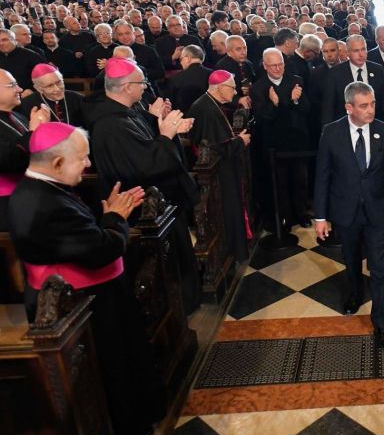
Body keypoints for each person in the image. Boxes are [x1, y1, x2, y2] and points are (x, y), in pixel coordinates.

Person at [8, 122, 164, 435]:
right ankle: (128, 431)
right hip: (84, 304)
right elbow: (101, 250)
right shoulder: (44, 204)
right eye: (82, 158)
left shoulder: (40, 190)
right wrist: (116, 218)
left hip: (84, 297)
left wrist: (107, 216)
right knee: (112, 369)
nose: (88, 164)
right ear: (58, 163)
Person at [87, 57, 202, 312]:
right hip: (146, 210)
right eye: (142, 83)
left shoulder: (127, 112)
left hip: (163, 206)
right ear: (127, 86)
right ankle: (179, 308)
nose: (145, 87)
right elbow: (146, 166)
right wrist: (166, 135)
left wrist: (156, 121)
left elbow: (146, 143)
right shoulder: (110, 125)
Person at [314, 82, 384, 349]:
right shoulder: (331, 133)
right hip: (345, 211)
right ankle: (354, 293)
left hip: (377, 211)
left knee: (378, 267)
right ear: (348, 107)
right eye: (364, 106)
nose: (370, 110)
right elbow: (323, 177)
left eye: (372, 103)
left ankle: (381, 325)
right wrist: (320, 216)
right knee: (351, 258)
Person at [188, 70, 252, 262]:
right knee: (229, 209)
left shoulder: (210, 104)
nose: (234, 93)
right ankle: (234, 250)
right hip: (219, 173)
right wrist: (241, 141)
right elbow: (216, 147)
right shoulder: (207, 109)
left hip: (221, 168)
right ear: (219, 88)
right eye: (232, 88)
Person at [250, 48, 311, 230]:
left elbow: (307, 109)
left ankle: (301, 214)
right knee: (280, 183)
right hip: (274, 144)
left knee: (300, 179)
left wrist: (294, 101)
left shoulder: (296, 80)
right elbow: (264, 117)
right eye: (273, 66)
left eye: (280, 64)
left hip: (297, 140)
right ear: (265, 66)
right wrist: (279, 104)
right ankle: (285, 217)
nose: (277, 69)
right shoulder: (258, 88)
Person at [0, 69, 49, 230]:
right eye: (12, 85)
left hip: (33, 194)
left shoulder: (18, 116)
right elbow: (11, 161)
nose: (20, 89)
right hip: (7, 206)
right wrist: (34, 132)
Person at [20, 63, 85, 127]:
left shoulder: (79, 99)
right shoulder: (27, 105)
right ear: (38, 89)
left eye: (59, 82)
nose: (57, 89)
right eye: (50, 86)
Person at [165, 44, 213, 112]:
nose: (180, 63)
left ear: (188, 58)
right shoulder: (212, 74)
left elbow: (169, 103)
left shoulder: (176, 78)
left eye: (181, 59)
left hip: (183, 118)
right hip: (209, 115)